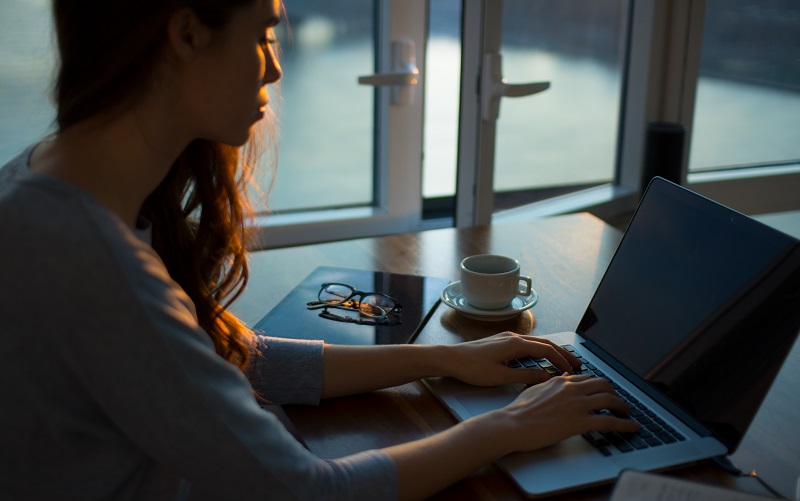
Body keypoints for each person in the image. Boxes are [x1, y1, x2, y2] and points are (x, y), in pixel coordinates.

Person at [0, 0, 639, 499]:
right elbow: (308, 490)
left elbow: (227, 359)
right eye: (263, 34)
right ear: (188, 33)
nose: (274, 66)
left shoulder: (39, 181)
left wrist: (448, 359)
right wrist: (509, 426)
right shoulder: (95, 267)